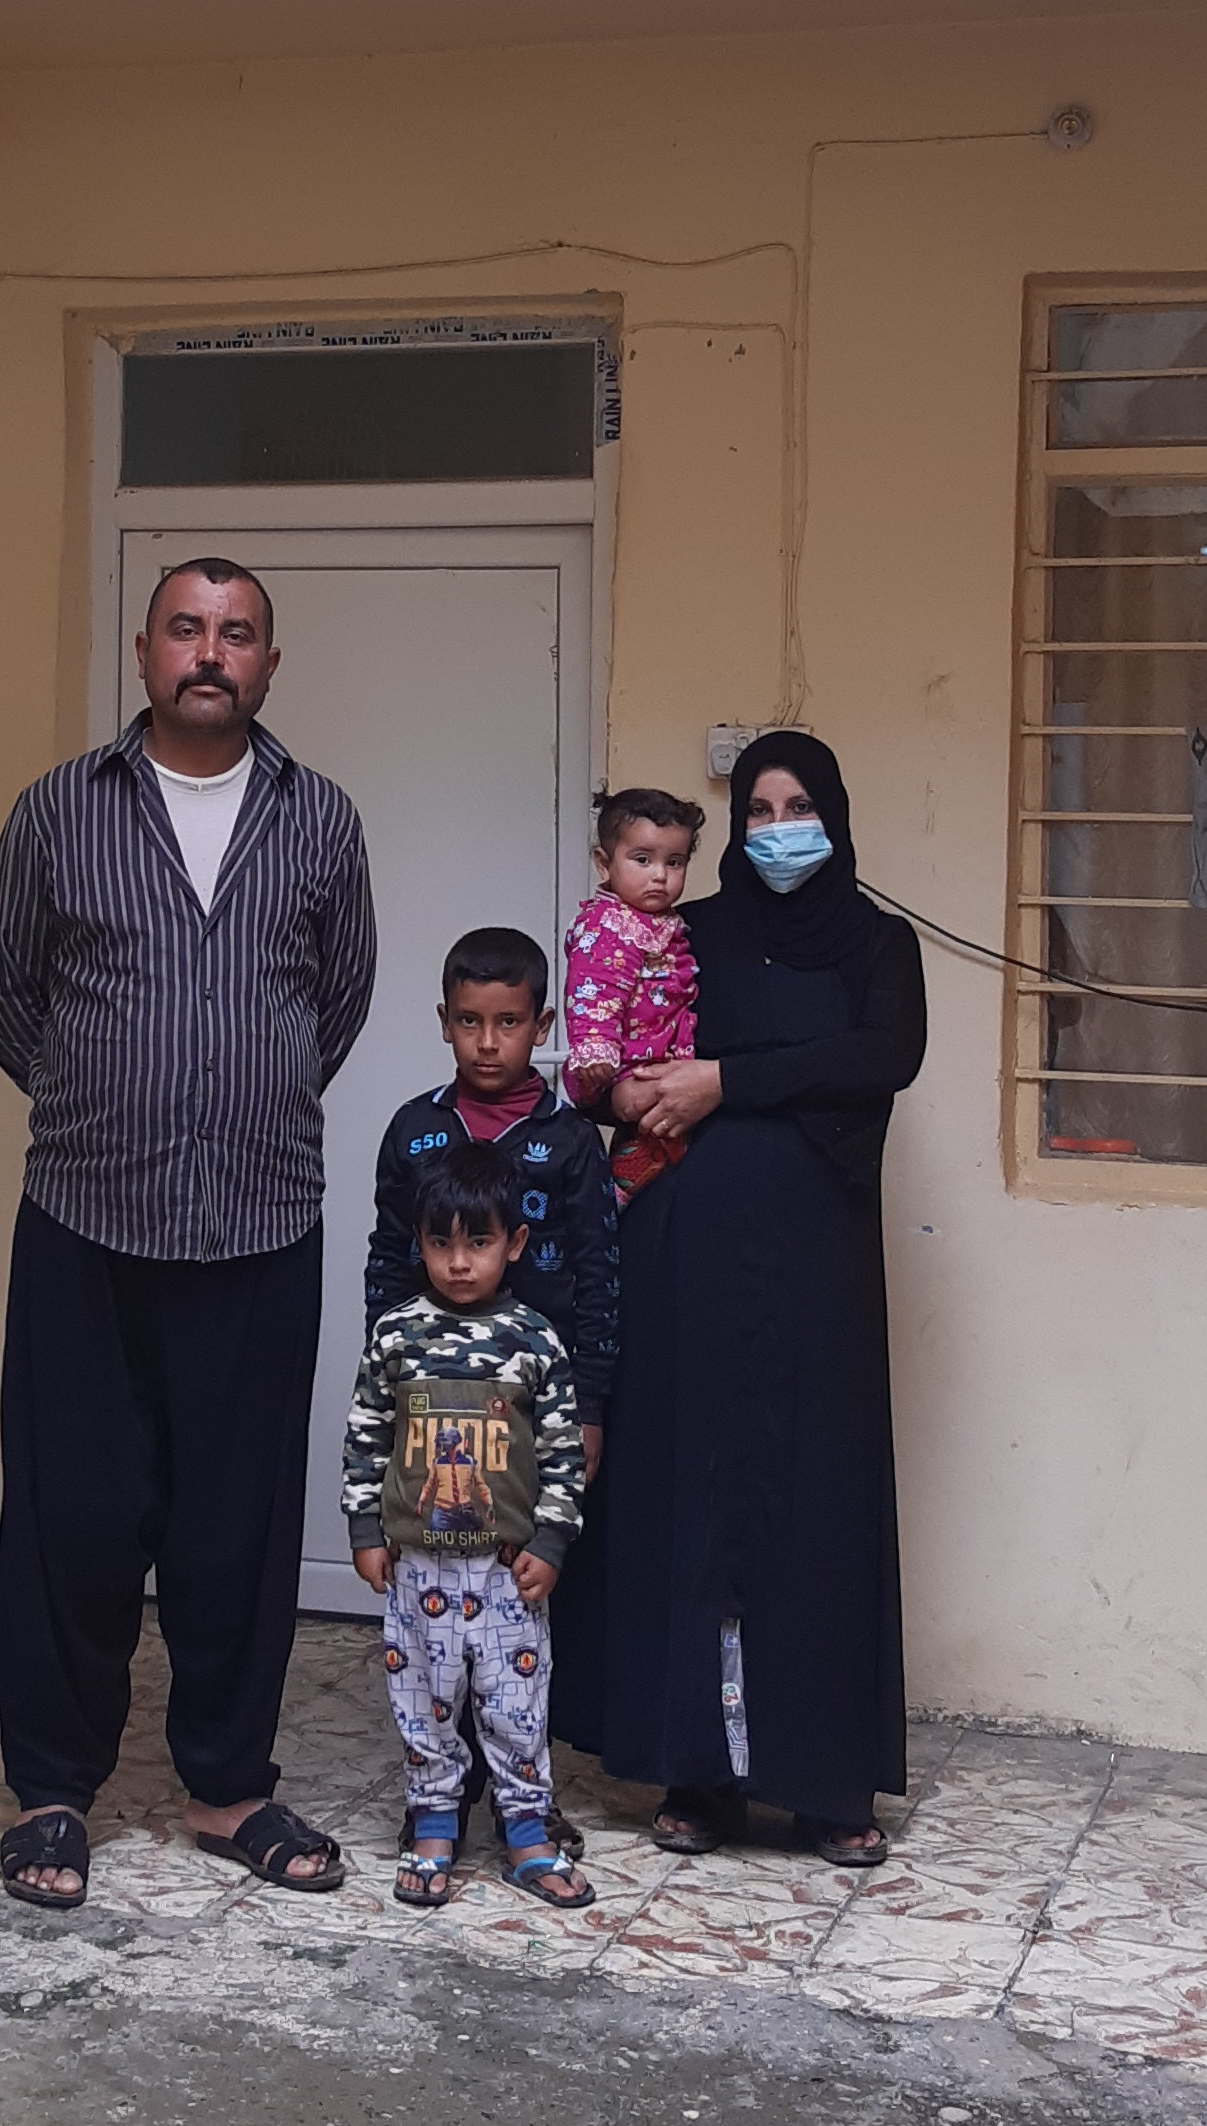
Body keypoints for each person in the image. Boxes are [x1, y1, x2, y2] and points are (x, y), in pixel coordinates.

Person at [0, 556, 376, 1909]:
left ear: (270, 662)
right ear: (142, 651)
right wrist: (109, 1100)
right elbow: (3, 991)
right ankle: (49, 1790)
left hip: (260, 1222)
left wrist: (231, 1104)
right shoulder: (54, 813)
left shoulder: (319, 820)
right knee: (70, 1513)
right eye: (187, 628)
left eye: (238, 633)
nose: (211, 652)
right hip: (85, 1214)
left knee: (233, 1524)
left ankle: (226, 1786)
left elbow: (337, 999)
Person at [549, 730, 926, 1865]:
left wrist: (727, 1080)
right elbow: (616, 1040)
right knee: (696, 1499)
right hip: (689, 1251)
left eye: (796, 804)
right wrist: (628, 1086)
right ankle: (698, 1773)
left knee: (817, 1495)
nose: (775, 830)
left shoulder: (876, 941)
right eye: (755, 809)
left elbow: (884, 1053)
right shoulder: (692, 931)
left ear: (836, 811)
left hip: (817, 1261)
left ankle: (824, 1781)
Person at [364, 926, 619, 1857]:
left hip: (532, 1413)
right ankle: (440, 1788)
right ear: (443, 1022)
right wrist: (388, 1390)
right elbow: (388, 1260)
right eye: (468, 1021)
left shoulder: (567, 1139)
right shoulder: (415, 1131)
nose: (486, 1041)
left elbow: (600, 1275)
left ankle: (525, 1793)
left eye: (508, 1023)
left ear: (541, 1024)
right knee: (436, 1604)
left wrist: (588, 1404)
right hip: (432, 1413)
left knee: (523, 1604)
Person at [344, 1142, 595, 1912]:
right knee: (423, 1701)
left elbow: (561, 1453)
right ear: (419, 1242)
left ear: (513, 1244)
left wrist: (551, 1542)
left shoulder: (534, 1342)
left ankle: (524, 1828)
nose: (458, 1263)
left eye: (478, 1242)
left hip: (504, 1572)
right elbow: (365, 1436)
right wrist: (364, 1530)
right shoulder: (396, 1336)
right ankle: (433, 1823)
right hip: (418, 1568)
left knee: (517, 1706)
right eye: (441, 1243)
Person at [561, 788, 705, 1207]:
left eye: (673, 862)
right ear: (604, 863)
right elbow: (594, 989)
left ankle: (631, 1178)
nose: (659, 874)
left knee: (670, 1130)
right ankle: (612, 1196)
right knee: (648, 1112)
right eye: (643, 860)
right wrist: (595, 1051)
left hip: (661, 1055)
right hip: (621, 1064)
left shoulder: (659, 922)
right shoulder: (608, 926)